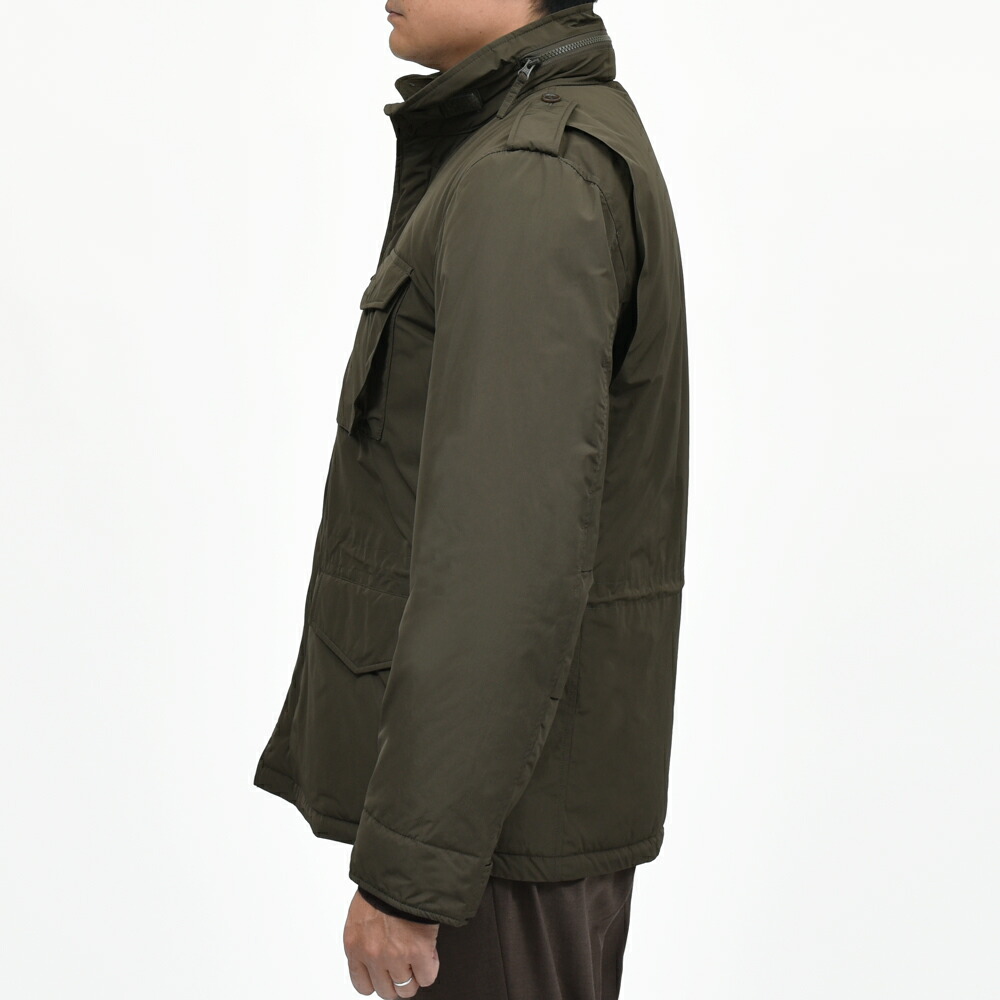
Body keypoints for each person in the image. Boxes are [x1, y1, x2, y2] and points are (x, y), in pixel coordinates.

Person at [252, 1, 689, 996]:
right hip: (507, 821)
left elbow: (503, 560)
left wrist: (411, 878)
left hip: (493, 839)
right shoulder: (530, 152)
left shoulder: (530, 177)